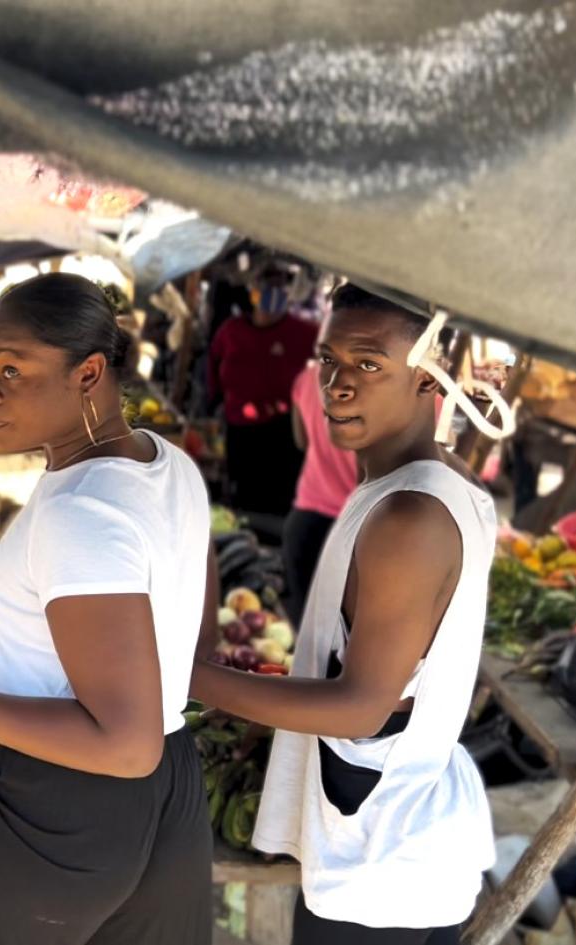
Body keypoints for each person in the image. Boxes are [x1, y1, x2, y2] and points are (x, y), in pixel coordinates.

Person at [0, 272, 216, 944]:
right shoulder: (168, 466)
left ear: (89, 372)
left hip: (51, 802)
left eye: (13, 369)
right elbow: (193, 628)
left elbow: (123, 742)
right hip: (166, 792)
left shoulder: (80, 513)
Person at [190, 284, 497, 944]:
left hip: (381, 873)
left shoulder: (408, 517)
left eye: (368, 363)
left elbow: (360, 705)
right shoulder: (419, 486)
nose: (338, 385)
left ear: (426, 375)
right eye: (328, 362)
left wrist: (191, 677)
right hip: (401, 844)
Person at [207, 266, 319, 518]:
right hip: (239, 429)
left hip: (282, 434)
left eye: (280, 288)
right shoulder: (231, 331)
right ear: (253, 293)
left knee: (278, 499)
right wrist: (213, 404)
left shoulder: (306, 333)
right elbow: (212, 368)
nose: (274, 294)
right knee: (243, 496)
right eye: (267, 288)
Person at [283, 358, 359, 619]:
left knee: (301, 637)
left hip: (305, 525)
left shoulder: (310, 376)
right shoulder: (406, 392)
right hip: (357, 534)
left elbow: (301, 440)